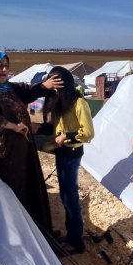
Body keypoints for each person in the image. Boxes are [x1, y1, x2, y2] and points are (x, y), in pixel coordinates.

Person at [0, 50, 62, 235]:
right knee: (16, 193)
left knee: (30, 188)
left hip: (23, 150)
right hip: (6, 155)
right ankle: (22, 236)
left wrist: (44, 85)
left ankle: (39, 234)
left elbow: (27, 91)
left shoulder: (6, 87)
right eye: (0, 66)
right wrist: (12, 126)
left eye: (7, 65)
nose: (5, 69)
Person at [43, 66, 94, 255]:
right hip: (61, 153)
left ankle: (76, 242)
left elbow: (88, 133)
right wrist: (38, 128)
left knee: (71, 197)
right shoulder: (59, 102)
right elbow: (54, 128)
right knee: (64, 196)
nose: (53, 90)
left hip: (72, 154)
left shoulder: (79, 103)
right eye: (51, 87)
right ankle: (71, 234)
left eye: (56, 86)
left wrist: (66, 136)